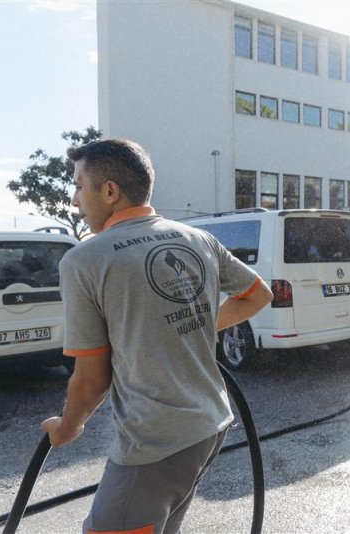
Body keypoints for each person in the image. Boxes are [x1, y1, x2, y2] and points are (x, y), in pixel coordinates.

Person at [40, 138, 273, 533]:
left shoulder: (85, 260)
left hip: (155, 444)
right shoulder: (198, 238)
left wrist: (68, 428)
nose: (75, 201)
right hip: (210, 425)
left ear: (110, 191)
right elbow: (258, 295)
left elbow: (93, 378)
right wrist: (190, 324)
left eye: (79, 186)